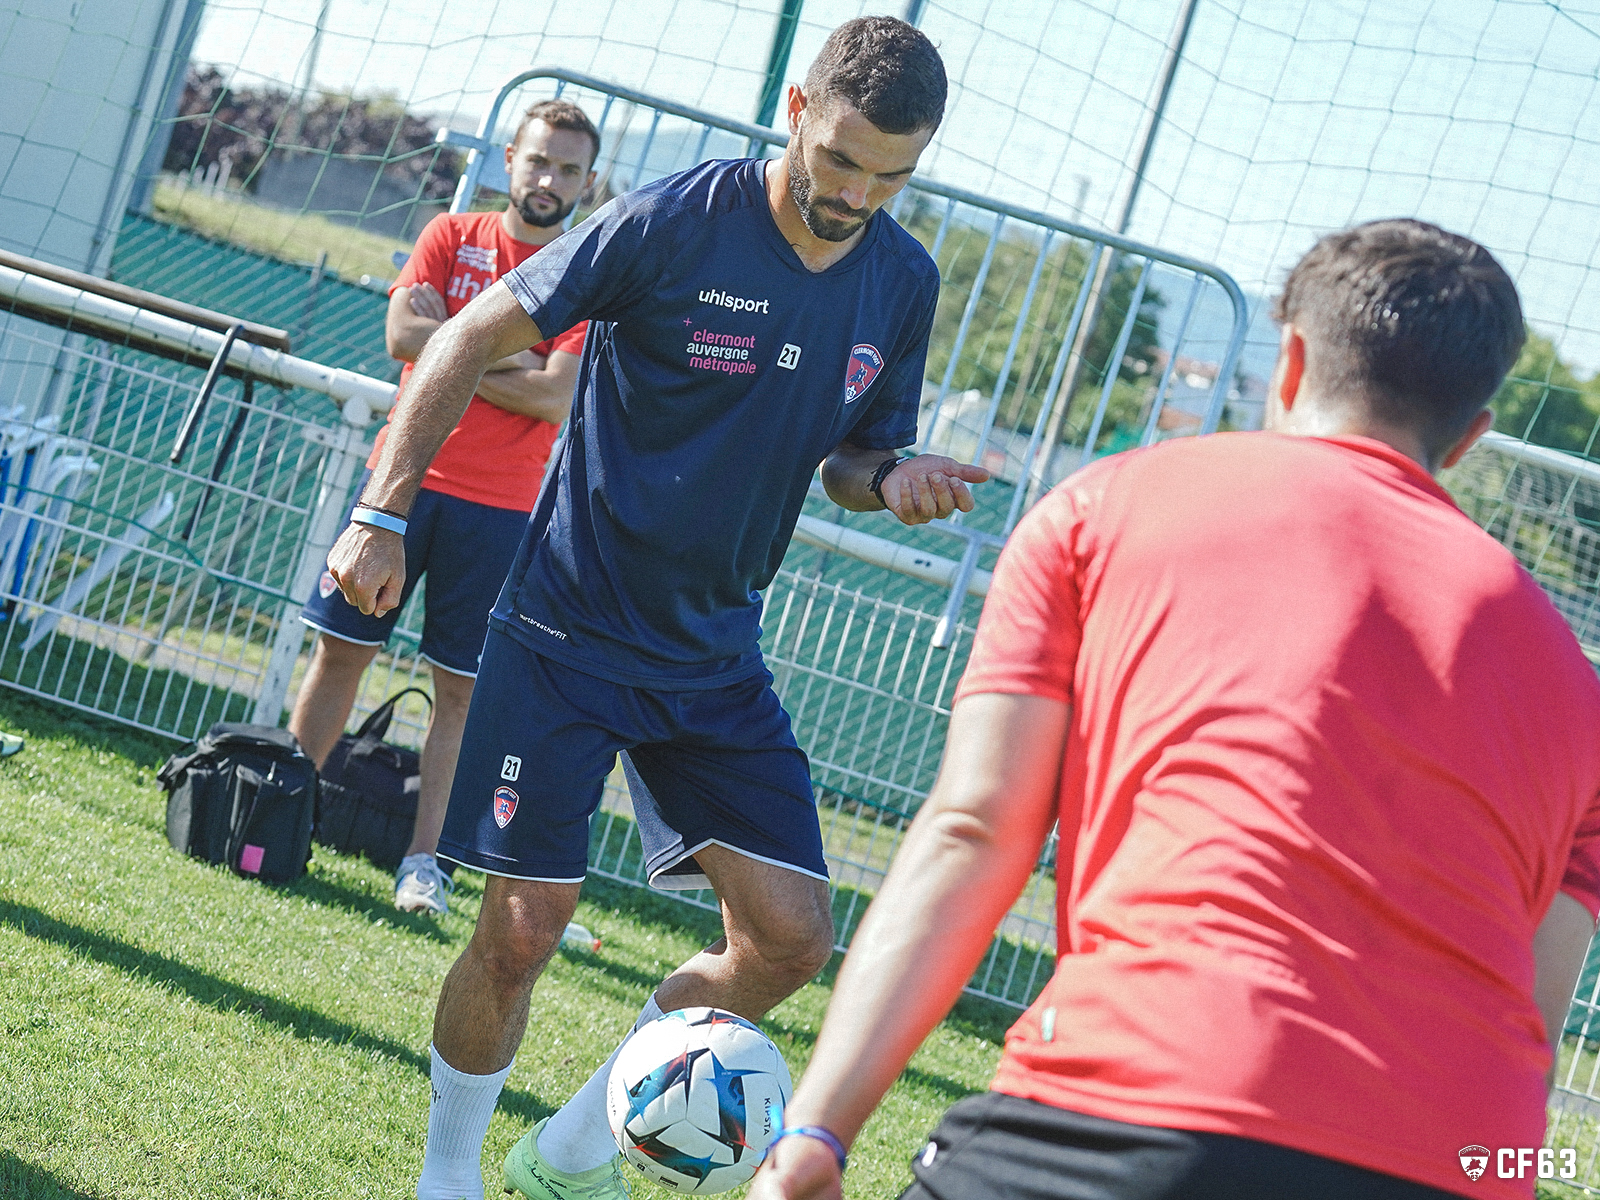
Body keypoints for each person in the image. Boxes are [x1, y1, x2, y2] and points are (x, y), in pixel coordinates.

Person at [750, 219, 1600, 1200]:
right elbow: (1531, 1019)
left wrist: (817, 1129)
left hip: (1136, 1112)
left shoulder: (1099, 511)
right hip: (1456, 1164)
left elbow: (974, 828)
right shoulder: (1576, 687)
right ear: (1470, 435)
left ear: (1288, 362)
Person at [326, 17, 986, 1200]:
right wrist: (381, 512)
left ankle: (575, 1148)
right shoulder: (676, 219)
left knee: (788, 937)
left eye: (893, 176)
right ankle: (447, 1176)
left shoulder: (902, 280)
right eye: (841, 160)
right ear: (795, 111)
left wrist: (891, 480)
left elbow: (854, 455)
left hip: (714, 653)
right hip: (567, 628)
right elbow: (475, 331)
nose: (857, 195)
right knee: (524, 928)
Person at [289, 100, 599, 916]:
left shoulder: (581, 275)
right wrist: (506, 355)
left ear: (588, 181)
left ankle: (424, 864)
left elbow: (553, 398)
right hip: (399, 486)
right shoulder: (450, 236)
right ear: (509, 158)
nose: (548, 180)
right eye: (538, 162)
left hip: (499, 510)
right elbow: (399, 337)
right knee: (339, 655)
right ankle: (286, 810)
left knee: (460, 693)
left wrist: (453, 345)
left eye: (568, 170)